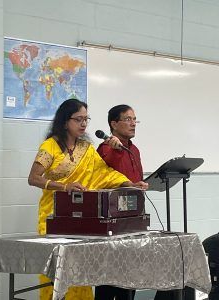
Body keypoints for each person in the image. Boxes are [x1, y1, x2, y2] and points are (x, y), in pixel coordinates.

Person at [28, 99, 147, 300]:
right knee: (55, 275)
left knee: (80, 274)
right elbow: (34, 178)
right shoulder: (50, 147)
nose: (83, 124)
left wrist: (129, 184)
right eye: (78, 119)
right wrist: (65, 187)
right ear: (66, 121)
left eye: (86, 119)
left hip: (81, 220)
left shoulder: (87, 149)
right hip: (53, 217)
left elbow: (105, 174)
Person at [95, 104, 147, 300]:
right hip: (113, 218)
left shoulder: (135, 149)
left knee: (130, 274)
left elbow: (136, 178)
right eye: (128, 119)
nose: (133, 123)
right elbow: (104, 177)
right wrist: (116, 148)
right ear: (113, 124)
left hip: (133, 216)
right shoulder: (106, 148)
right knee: (109, 277)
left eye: (135, 119)